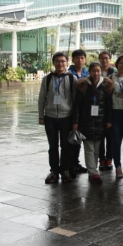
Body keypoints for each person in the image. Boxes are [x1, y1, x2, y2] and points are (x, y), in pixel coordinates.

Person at [72, 62, 113, 184]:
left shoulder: (106, 85)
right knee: (89, 148)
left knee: (96, 149)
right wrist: (75, 121)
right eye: (93, 71)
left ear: (101, 72)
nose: (96, 73)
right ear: (89, 72)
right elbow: (77, 105)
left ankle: (93, 170)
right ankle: (93, 172)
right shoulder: (83, 85)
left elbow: (108, 105)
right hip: (86, 121)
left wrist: (109, 120)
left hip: (100, 122)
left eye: (98, 71)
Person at [39, 52, 75, 184]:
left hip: (67, 117)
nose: (60, 64)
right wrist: (41, 116)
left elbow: (75, 100)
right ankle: (54, 171)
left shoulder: (71, 78)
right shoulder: (47, 79)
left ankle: (65, 170)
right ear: (53, 62)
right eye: (57, 61)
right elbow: (42, 98)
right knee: (53, 146)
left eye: (63, 61)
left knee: (66, 146)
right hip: (50, 117)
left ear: (67, 63)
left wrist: (75, 119)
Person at [68, 49, 88, 174]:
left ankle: (75, 163)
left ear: (85, 60)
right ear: (73, 60)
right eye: (77, 58)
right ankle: (69, 165)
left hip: (84, 111)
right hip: (71, 110)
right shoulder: (68, 74)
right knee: (70, 139)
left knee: (78, 138)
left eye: (82, 58)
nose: (79, 60)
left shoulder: (88, 73)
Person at [98, 51, 116, 171]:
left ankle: (109, 158)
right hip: (98, 107)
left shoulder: (114, 72)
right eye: (102, 58)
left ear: (109, 59)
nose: (104, 60)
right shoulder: (96, 71)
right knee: (99, 136)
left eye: (106, 58)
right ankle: (101, 159)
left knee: (110, 136)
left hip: (111, 106)